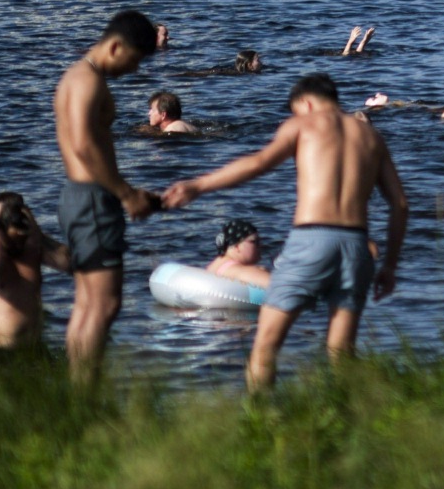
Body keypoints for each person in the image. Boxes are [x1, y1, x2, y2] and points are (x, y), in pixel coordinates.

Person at [162, 72, 409, 390]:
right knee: (341, 353)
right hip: (356, 246)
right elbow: (399, 205)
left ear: (305, 103)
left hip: (312, 240)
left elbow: (258, 164)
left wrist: (199, 185)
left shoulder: (303, 125)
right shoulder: (371, 138)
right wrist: (390, 264)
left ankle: (259, 427)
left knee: (265, 346)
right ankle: (344, 425)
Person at [52, 10, 166, 382]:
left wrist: (126, 191)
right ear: (115, 46)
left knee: (87, 305)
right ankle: (84, 395)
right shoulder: (88, 82)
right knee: (104, 304)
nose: (133, 72)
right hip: (93, 200)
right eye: (133, 61)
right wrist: (126, 194)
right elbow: (85, 146)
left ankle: (76, 394)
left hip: (79, 197)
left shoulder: (73, 76)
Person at [0, 191, 70, 356]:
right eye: (13, 238)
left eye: (22, 238)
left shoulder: (30, 245)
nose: (19, 244)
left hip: (33, 348)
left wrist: (37, 234)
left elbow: (72, 264)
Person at [205, 218, 273, 291]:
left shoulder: (216, 265)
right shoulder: (236, 270)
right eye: (253, 242)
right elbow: (280, 286)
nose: (260, 245)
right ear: (236, 246)